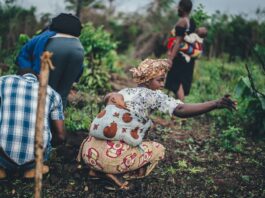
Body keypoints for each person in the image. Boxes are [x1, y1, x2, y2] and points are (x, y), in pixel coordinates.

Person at [77, 59, 236, 190]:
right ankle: (114, 174)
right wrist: (215, 103)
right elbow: (180, 109)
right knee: (158, 149)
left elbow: (109, 97)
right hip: (109, 159)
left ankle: (95, 171)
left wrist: (110, 96)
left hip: (88, 153)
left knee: (138, 130)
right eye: (160, 80)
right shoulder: (153, 95)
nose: (162, 85)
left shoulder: (124, 91)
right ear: (147, 81)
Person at [0, 69, 65, 179]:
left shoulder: (4, 81)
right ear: (39, 78)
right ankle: (31, 169)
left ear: (18, 76)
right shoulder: (53, 94)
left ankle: (2, 169)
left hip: (3, 157)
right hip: (35, 158)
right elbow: (61, 136)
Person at [16, 13, 84, 107]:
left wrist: (33, 73)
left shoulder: (44, 35)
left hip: (55, 48)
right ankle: (58, 119)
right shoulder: (76, 40)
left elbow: (22, 55)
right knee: (62, 95)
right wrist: (75, 76)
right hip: (78, 51)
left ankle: (42, 120)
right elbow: (80, 67)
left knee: (47, 92)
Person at [165, 0, 197, 101]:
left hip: (179, 58)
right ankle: (177, 112)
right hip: (188, 58)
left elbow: (178, 42)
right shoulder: (192, 22)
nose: (177, 9)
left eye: (178, 6)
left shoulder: (182, 21)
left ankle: (181, 109)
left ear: (182, 8)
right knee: (180, 83)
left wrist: (170, 59)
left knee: (176, 83)